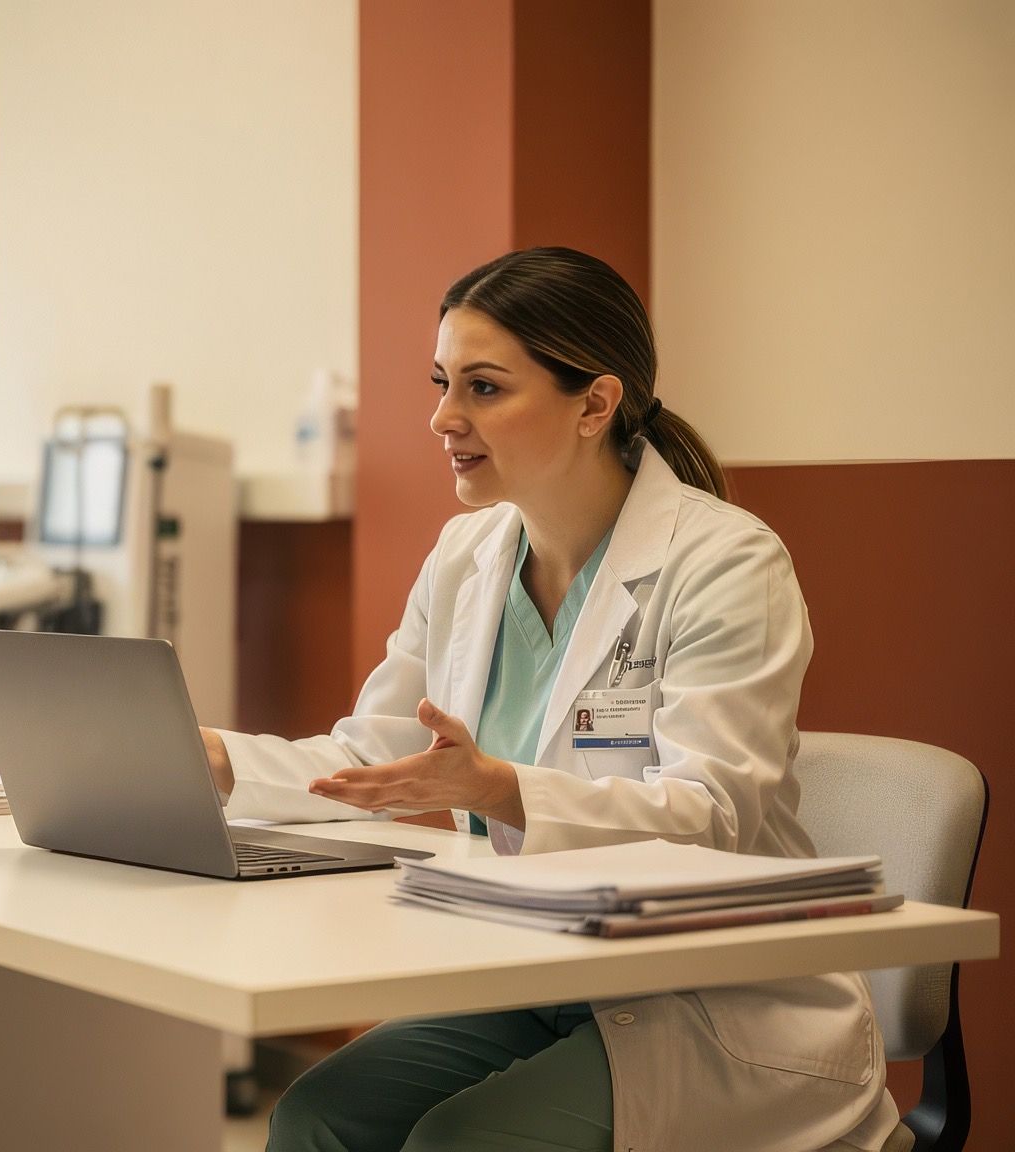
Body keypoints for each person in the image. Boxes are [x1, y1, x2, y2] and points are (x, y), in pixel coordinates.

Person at [201, 247, 897, 1152]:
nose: (443, 417)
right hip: (534, 974)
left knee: (462, 1142)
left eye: (484, 388)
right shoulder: (465, 555)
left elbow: (712, 814)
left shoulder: (726, 562)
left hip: (706, 1000)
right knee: (313, 1117)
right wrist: (219, 759)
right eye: (443, 381)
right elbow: (373, 761)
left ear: (595, 405)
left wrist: (498, 789)